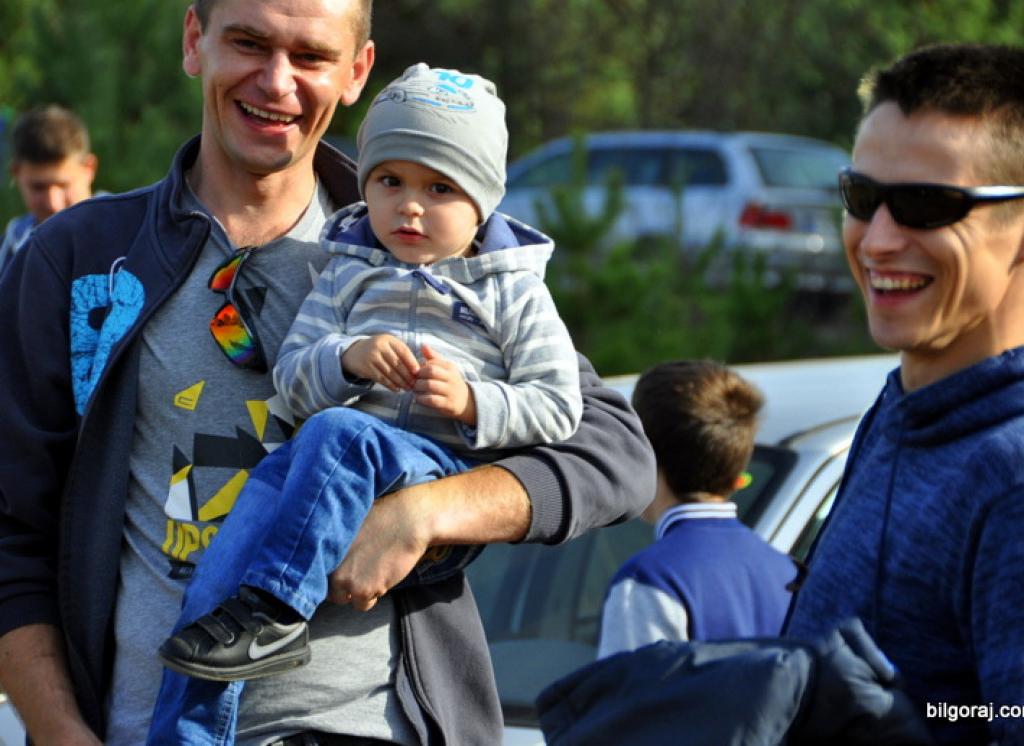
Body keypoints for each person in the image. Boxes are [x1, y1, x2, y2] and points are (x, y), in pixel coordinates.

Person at [0, 0, 655, 745]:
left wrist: (422, 515)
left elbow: (614, 449)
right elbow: (11, 531)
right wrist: (60, 733)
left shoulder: (437, 253)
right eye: (249, 43)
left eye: (311, 55)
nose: (276, 81)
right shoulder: (80, 261)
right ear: (194, 40)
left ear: (356, 71)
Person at [150, 62, 584, 741]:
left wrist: (473, 401)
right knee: (211, 594)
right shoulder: (348, 270)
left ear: (483, 201)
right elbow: (293, 380)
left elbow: (558, 406)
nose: (409, 206)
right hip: (320, 465)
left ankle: (277, 613)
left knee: (342, 434)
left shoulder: (512, 289)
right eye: (389, 182)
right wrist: (346, 359)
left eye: (439, 188)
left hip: (436, 469)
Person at [784, 43, 1024, 746]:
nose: (878, 240)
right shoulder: (898, 414)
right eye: (862, 199)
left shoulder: (1011, 477)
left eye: (925, 205)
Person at [596, 359, 797, 658]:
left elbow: (628, 689)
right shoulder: (789, 573)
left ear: (645, 453)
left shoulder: (649, 580)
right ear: (737, 466)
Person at [0, 103, 99, 273]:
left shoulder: (128, 234)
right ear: (16, 173)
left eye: (63, 185)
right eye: (38, 187)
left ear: (89, 168)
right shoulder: (9, 249)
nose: (53, 203)